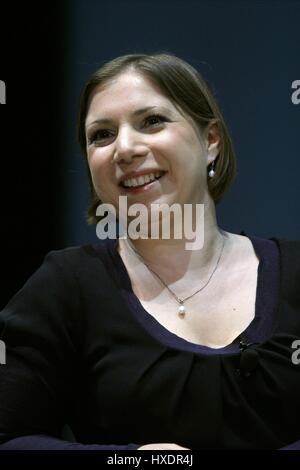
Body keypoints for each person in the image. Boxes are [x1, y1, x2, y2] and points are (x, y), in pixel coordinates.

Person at [0, 52, 299, 451]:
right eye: (101, 135)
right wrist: (131, 461)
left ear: (211, 141)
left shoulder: (296, 272)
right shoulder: (66, 287)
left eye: (152, 122)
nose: (124, 148)